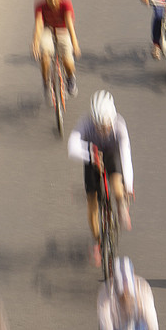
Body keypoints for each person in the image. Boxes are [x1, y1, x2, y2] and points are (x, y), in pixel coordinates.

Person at [68, 91, 133, 267]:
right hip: (91, 154)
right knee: (92, 203)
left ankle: (120, 204)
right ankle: (97, 242)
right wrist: (90, 154)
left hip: (112, 154)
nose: (104, 131)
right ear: (93, 120)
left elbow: (125, 155)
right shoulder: (85, 123)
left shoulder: (119, 125)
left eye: (107, 126)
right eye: (99, 127)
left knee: (116, 184)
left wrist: (129, 184)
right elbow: (72, 147)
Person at [32, 0, 81, 98]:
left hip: (63, 29)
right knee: (45, 56)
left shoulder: (65, 3)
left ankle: (70, 79)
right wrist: (35, 43)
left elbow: (69, 24)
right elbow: (38, 25)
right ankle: (46, 83)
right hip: (47, 29)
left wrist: (75, 44)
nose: (51, 0)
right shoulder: (40, 5)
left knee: (67, 59)